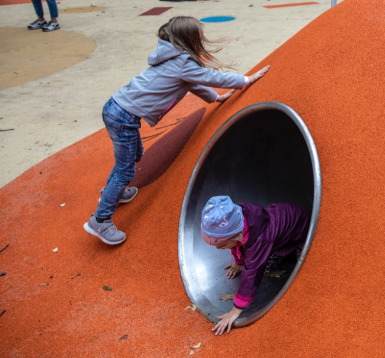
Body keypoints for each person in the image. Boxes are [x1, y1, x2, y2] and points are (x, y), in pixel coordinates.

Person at [83, 16, 271, 245]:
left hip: (116, 107)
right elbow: (212, 77)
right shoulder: (183, 63)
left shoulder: (172, 56)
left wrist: (215, 98)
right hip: (124, 116)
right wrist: (245, 80)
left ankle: (114, 191)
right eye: (199, 37)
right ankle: (100, 220)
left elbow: (195, 84)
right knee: (125, 169)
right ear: (189, 39)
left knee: (131, 158)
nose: (202, 40)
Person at [201, 196, 311, 335]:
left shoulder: (260, 239)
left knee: (306, 263)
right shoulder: (239, 219)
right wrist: (239, 263)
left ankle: (293, 250)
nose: (218, 249)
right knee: (265, 262)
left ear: (237, 235)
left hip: (302, 231)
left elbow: (252, 273)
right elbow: (236, 246)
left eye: (222, 245)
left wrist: (235, 310)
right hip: (281, 234)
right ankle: (284, 250)